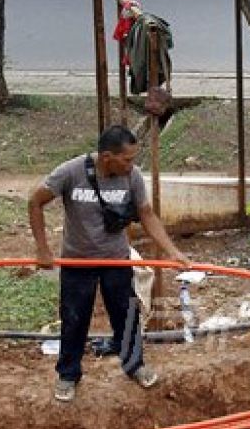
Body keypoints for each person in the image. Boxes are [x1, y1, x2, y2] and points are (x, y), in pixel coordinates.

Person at [29, 125, 189, 403]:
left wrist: (172, 251)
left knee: (126, 314)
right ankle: (68, 374)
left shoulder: (132, 177)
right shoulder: (70, 172)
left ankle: (134, 364)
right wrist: (43, 250)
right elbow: (35, 201)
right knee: (74, 318)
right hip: (77, 261)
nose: (132, 164)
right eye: (127, 159)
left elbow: (147, 214)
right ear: (106, 157)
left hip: (115, 259)